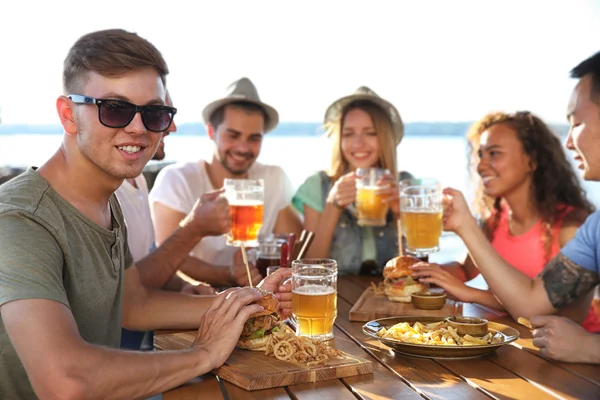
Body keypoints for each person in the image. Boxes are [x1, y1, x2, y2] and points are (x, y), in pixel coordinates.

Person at [0, 29, 292, 399]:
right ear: (68, 114)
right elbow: (65, 382)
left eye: (154, 113)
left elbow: (134, 305)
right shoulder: (20, 220)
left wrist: (248, 303)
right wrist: (203, 354)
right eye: (115, 109)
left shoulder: (104, 200)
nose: (138, 128)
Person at [436, 51, 600, 363]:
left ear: (532, 161)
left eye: (577, 123)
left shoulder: (574, 224)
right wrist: (464, 227)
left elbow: (566, 318)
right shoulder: (595, 229)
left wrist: (592, 348)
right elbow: (531, 304)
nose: (567, 143)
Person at [411, 110, 600, 333]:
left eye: (494, 153)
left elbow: (562, 316)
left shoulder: (571, 227)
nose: (481, 166)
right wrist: (422, 270)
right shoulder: (495, 221)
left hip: (570, 357)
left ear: (532, 160)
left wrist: (473, 294)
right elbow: (464, 269)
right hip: (512, 340)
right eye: (480, 155)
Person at [150, 77, 302, 287]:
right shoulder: (177, 179)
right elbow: (166, 257)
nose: (243, 148)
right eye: (233, 135)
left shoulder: (274, 178)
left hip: (261, 299)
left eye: (254, 138)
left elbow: (293, 248)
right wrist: (228, 274)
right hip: (198, 299)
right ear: (211, 132)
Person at [292, 87, 412, 274]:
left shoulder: (405, 184)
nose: (358, 143)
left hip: (391, 297)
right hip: (336, 297)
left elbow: (417, 266)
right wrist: (333, 206)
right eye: (348, 134)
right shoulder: (318, 184)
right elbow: (310, 270)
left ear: (386, 138)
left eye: (370, 133)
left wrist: (400, 212)